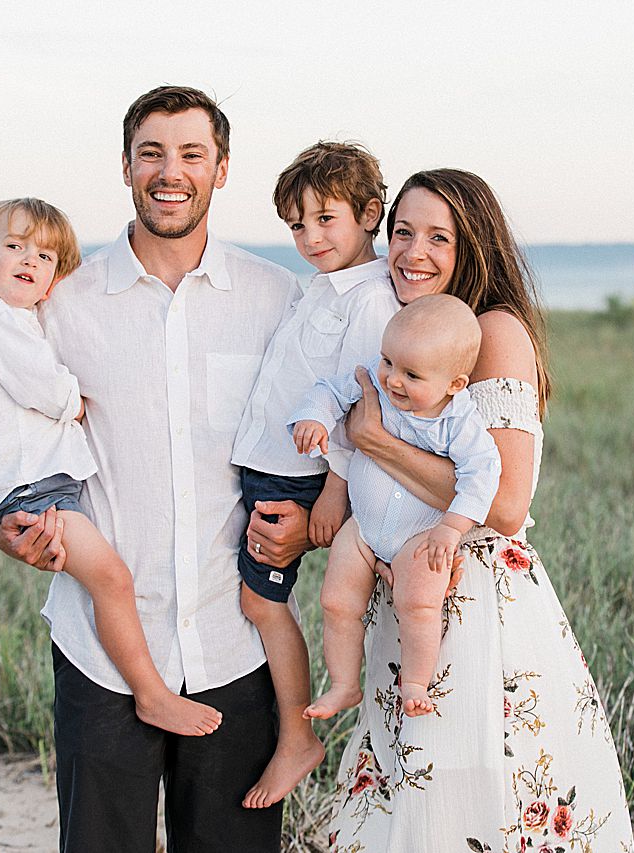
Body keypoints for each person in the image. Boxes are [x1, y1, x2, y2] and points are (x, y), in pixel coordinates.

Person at [0, 86, 310, 853]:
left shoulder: (277, 298)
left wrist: (306, 519)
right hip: (102, 651)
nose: (171, 172)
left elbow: (312, 438)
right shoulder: (61, 303)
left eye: (192, 153)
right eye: (153, 153)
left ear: (221, 169)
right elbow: (2, 426)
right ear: (126, 166)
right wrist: (5, 524)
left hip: (234, 639)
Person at [325, 170, 634, 852]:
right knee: (414, 794)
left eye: (440, 237)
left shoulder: (493, 331)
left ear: (474, 248)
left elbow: (507, 502)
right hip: (411, 590)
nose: (414, 251)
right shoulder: (406, 330)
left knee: (469, 794)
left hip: (475, 601)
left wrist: (374, 438)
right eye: (402, 231)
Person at [0, 198, 224, 740]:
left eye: (45, 255)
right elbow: (44, 387)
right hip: (32, 492)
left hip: (28, 487)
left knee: (107, 578)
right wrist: (77, 401)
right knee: (113, 579)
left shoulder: (0, 316)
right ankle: (152, 693)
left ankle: (149, 690)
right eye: (14, 247)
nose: (30, 260)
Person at [231, 141, 400, 809]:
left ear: (368, 213)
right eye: (297, 224)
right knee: (250, 600)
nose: (309, 237)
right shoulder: (321, 287)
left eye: (325, 219)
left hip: (298, 478)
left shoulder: (370, 301)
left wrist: (334, 486)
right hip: (267, 467)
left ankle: (298, 734)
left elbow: (363, 400)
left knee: (261, 603)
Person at [293, 294, 500, 721]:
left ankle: (415, 684)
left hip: (419, 534)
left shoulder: (459, 423)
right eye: (388, 361)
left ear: (454, 384)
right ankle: (345, 685)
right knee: (335, 602)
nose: (392, 380)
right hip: (364, 528)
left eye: (412, 374)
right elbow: (331, 389)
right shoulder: (377, 379)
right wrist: (316, 416)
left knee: (420, 604)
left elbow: (483, 474)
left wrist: (452, 528)